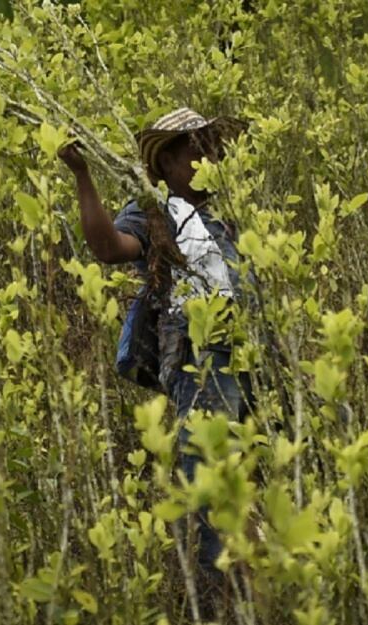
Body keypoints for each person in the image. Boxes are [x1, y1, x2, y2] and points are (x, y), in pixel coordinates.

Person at [57, 108, 251, 618]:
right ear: (165, 162)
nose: (209, 158)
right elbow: (106, 246)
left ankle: (248, 590)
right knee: (207, 478)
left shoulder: (223, 219)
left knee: (245, 478)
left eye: (212, 147)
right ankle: (220, 601)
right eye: (195, 150)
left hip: (249, 362)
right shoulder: (153, 212)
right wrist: (82, 176)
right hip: (202, 360)